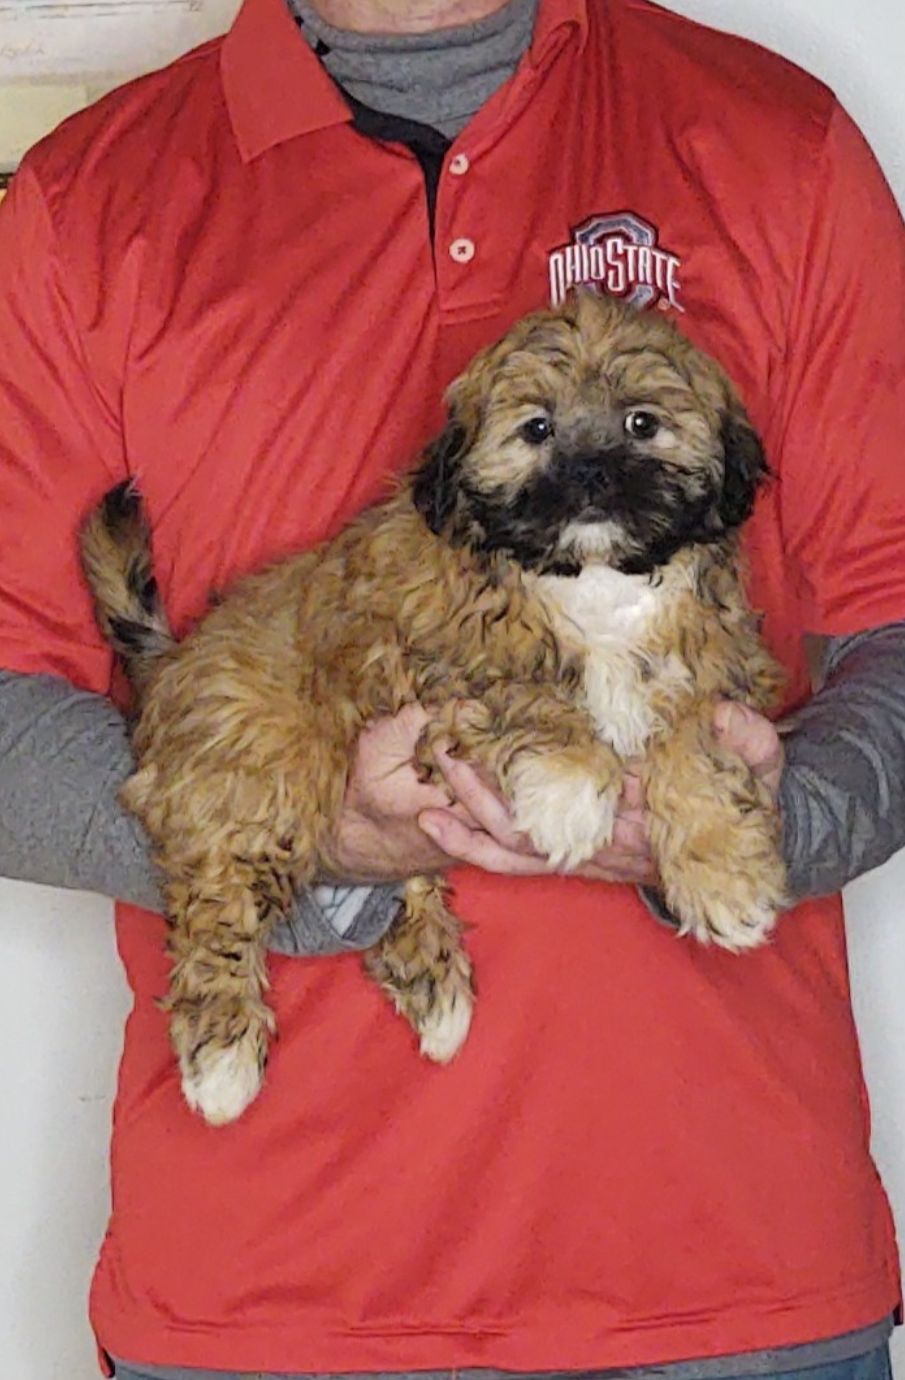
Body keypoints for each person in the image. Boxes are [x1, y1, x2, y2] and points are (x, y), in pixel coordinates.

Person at [0, 0, 904, 1377]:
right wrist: (297, 847)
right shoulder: (88, 197)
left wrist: (775, 823)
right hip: (266, 1293)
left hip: (729, 1270)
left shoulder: (771, 135)